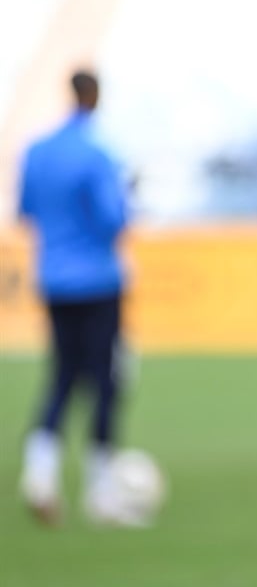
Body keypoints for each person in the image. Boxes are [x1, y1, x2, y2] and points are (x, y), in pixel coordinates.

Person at [17, 70, 129, 525]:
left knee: (62, 374)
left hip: (54, 279)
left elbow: (25, 209)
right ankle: (101, 487)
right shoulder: (98, 154)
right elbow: (112, 220)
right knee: (106, 378)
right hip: (98, 280)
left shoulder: (38, 151)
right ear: (96, 97)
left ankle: (40, 471)